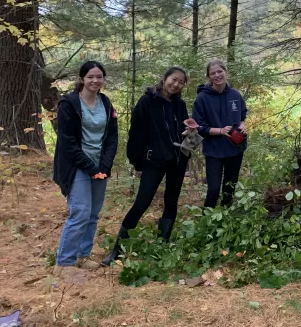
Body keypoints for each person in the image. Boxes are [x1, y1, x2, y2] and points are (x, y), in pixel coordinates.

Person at [102, 66, 193, 266]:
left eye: (181, 82)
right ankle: (117, 250)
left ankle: (162, 245)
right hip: (154, 161)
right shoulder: (146, 102)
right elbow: (136, 134)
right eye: (173, 79)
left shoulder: (180, 105)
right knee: (141, 203)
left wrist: (188, 133)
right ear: (165, 77)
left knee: (171, 202)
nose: (176, 84)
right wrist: (137, 162)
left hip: (177, 161)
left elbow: (182, 129)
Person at [53, 61, 118, 276]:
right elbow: (67, 142)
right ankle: (64, 263)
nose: (95, 81)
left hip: (100, 165)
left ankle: (83, 255)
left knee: (92, 214)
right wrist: (90, 167)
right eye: (90, 77)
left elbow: (112, 137)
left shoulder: (106, 103)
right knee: (80, 211)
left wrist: (105, 166)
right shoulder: (69, 104)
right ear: (82, 79)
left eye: (99, 77)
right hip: (76, 166)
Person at [192, 59, 248, 208]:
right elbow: (199, 126)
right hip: (214, 150)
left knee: (229, 188)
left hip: (235, 148)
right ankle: (206, 218)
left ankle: (225, 216)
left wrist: (242, 125)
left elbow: (242, 115)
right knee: (214, 190)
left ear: (225, 72)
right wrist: (221, 131)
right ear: (208, 77)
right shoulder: (202, 98)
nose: (217, 75)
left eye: (220, 71)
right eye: (213, 73)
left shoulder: (235, 95)